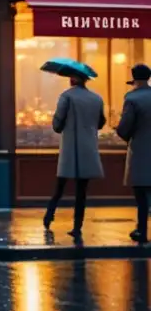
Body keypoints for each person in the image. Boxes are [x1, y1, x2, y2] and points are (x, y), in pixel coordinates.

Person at [43, 73, 105, 238]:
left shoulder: (66, 96)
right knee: (81, 190)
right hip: (88, 146)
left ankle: (49, 216)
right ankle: (77, 226)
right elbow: (101, 122)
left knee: (60, 186)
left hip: (70, 146)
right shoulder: (97, 98)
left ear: (74, 79)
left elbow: (57, 123)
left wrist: (63, 125)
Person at [117, 63, 151, 243]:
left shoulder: (132, 98)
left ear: (134, 79)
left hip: (140, 151)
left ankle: (142, 230)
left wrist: (123, 133)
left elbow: (124, 128)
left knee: (141, 194)